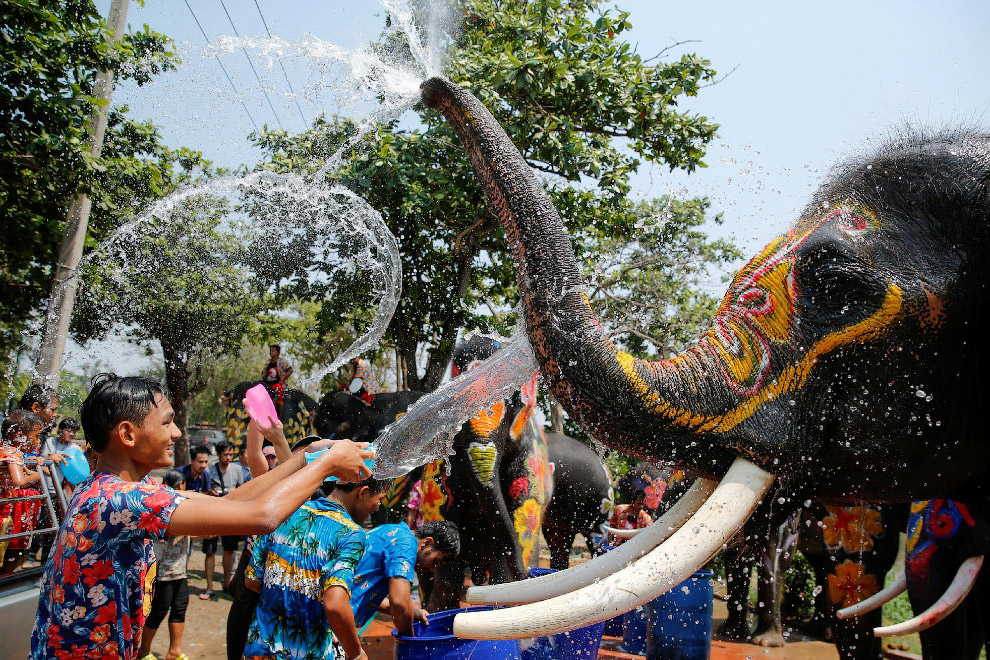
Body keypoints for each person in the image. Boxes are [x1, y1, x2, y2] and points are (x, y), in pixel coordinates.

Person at [29, 373, 373, 660]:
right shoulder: (119, 500)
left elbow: (234, 501)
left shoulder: (114, 489)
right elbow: (262, 517)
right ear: (127, 434)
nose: (177, 433)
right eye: (167, 423)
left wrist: (305, 458)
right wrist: (328, 465)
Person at [243, 475, 389, 660]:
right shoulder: (350, 533)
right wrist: (356, 653)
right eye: (379, 499)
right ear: (363, 492)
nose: (377, 507)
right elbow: (335, 605)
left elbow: (251, 580)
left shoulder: (286, 511)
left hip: (260, 648)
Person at [350, 520, 461, 635]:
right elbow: (399, 603)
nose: (432, 569)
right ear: (427, 543)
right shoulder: (406, 547)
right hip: (333, 621)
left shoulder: (394, 532)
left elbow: (365, 596)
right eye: (435, 562)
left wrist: (411, 613)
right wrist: (411, 642)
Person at [137, 470, 191, 660]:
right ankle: (144, 650)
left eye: (183, 484)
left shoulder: (184, 506)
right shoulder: (165, 509)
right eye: (178, 485)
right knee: (159, 610)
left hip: (180, 570)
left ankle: (174, 651)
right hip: (163, 572)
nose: (181, 488)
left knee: (180, 607)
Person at [0, 409, 45, 575]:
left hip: (5, 509)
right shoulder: (12, 452)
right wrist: (39, 474)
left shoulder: (5, 448)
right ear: (19, 434)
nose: (37, 441)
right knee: (9, 558)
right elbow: (19, 480)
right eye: (35, 436)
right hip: (5, 513)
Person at [202, 440, 245, 599]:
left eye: (230, 454)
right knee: (210, 551)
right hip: (212, 513)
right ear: (219, 454)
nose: (228, 457)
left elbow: (243, 490)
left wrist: (235, 492)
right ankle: (209, 587)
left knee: (229, 550)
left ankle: (227, 583)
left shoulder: (237, 470)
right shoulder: (210, 470)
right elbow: (204, 491)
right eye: (225, 454)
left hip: (229, 514)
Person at [607, 474, 656, 547]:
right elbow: (611, 527)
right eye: (639, 503)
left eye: (643, 504)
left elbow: (650, 534)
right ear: (632, 502)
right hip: (618, 545)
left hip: (634, 547)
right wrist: (610, 545)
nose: (641, 506)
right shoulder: (619, 509)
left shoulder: (646, 518)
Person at [261, 344, 292, 414]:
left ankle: (278, 415)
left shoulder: (282, 361)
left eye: (273, 351)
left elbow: (290, 370)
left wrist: (283, 378)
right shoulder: (268, 362)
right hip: (267, 383)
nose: (271, 352)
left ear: (278, 353)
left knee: (279, 392)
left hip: (277, 384)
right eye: (270, 351)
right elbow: (263, 373)